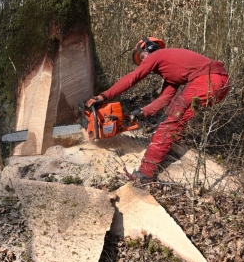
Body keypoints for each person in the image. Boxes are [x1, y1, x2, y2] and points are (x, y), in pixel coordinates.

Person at [86, 37, 230, 184]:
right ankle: (172, 147)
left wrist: (104, 96)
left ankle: (145, 173)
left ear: (149, 47)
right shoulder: (171, 70)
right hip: (219, 83)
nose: (143, 62)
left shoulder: (157, 55)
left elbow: (133, 77)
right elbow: (165, 97)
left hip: (207, 80)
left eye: (142, 57)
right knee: (176, 117)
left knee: (170, 122)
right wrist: (142, 112)